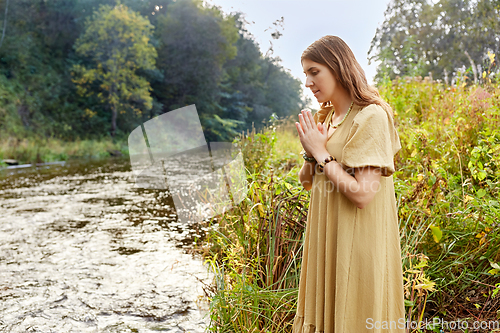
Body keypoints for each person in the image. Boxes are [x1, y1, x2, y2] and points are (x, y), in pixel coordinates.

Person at [293, 35, 406, 332]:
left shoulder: (371, 116)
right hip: (326, 234)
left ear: (338, 67)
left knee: (354, 315)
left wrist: (320, 152)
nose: (307, 82)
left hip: (357, 240)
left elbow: (362, 195)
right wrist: (310, 150)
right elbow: (306, 181)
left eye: (314, 71)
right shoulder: (327, 116)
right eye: (305, 74)